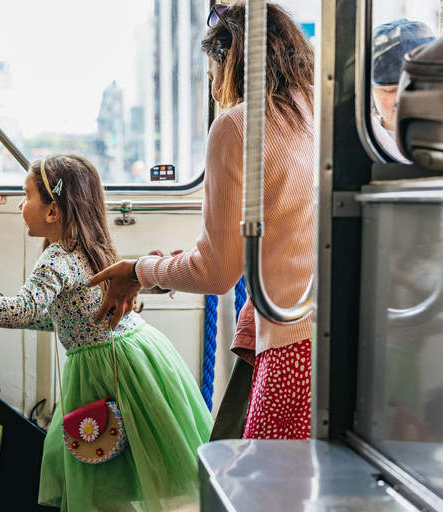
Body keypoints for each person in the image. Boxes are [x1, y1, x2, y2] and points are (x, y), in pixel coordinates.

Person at [0, 153, 213, 511]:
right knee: (120, 463)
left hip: (104, 368)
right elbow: (63, 317)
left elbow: (22, 310)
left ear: (52, 211)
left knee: (98, 472)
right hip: (134, 355)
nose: (20, 206)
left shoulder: (56, 258)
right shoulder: (91, 248)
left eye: (25, 196)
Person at [86, 1, 315, 440]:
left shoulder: (238, 127)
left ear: (230, 63)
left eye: (212, 74)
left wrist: (139, 270)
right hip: (339, 333)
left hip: (292, 347)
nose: (213, 89)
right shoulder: (318, 115)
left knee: (269, 490)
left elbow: (217, 272)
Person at [371, 18, 435, 162]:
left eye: (412, 87)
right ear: (370, 91)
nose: (400, 99)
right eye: (389, 90)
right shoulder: (364, 138)